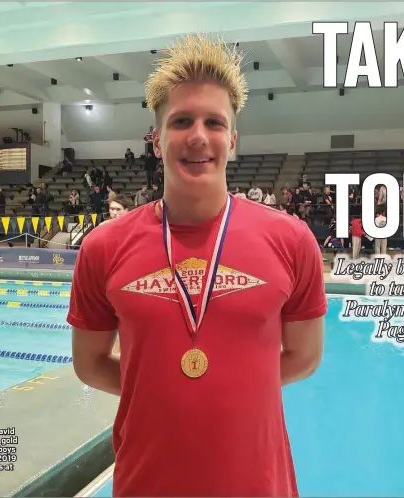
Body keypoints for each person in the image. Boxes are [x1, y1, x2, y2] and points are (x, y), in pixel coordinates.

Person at [68, 33, 326, 498]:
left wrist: (232, 381)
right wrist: (160, 384)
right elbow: (89, 364)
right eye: (181, 120)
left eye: (214, 122)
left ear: (233, 138)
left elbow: (305, 357)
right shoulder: (104, 247)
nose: (199, 136)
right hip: (146, 484)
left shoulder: (291, 240)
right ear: (157, 138)